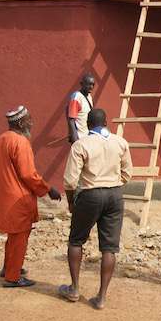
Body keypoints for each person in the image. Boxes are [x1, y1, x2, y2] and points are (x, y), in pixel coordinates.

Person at [60, 108, 132, 309]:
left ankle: (74, 288)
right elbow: (127, 174)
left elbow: (70, 181)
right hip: (115, 195)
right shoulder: (120, 142)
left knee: (76, 240)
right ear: (106, 123)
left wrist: (71, 202)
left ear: (88, 125)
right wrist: (114, 183)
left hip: (90, 195)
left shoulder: (81, 145)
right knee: (109, 248)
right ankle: (101, 297)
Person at [0, 105, 62, 287]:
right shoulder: (21, 142)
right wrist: (48, 189)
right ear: (21, 124)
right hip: (18, 198)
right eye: (30, 121)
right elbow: (28, 175)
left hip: (6, 196)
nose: (32, 124)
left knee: (14, 236)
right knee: (19, 236)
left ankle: (9, 267)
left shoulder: (0, 140)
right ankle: (12, 276)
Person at [67, 74, 95, 144]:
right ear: (81, 84)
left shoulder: (89, 96)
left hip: (87, 136)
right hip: (79, 137)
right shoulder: (76, 97)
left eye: (93, 84)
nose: (91, 87)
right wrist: (75, 141)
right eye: (88, 84)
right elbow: (71, 120)